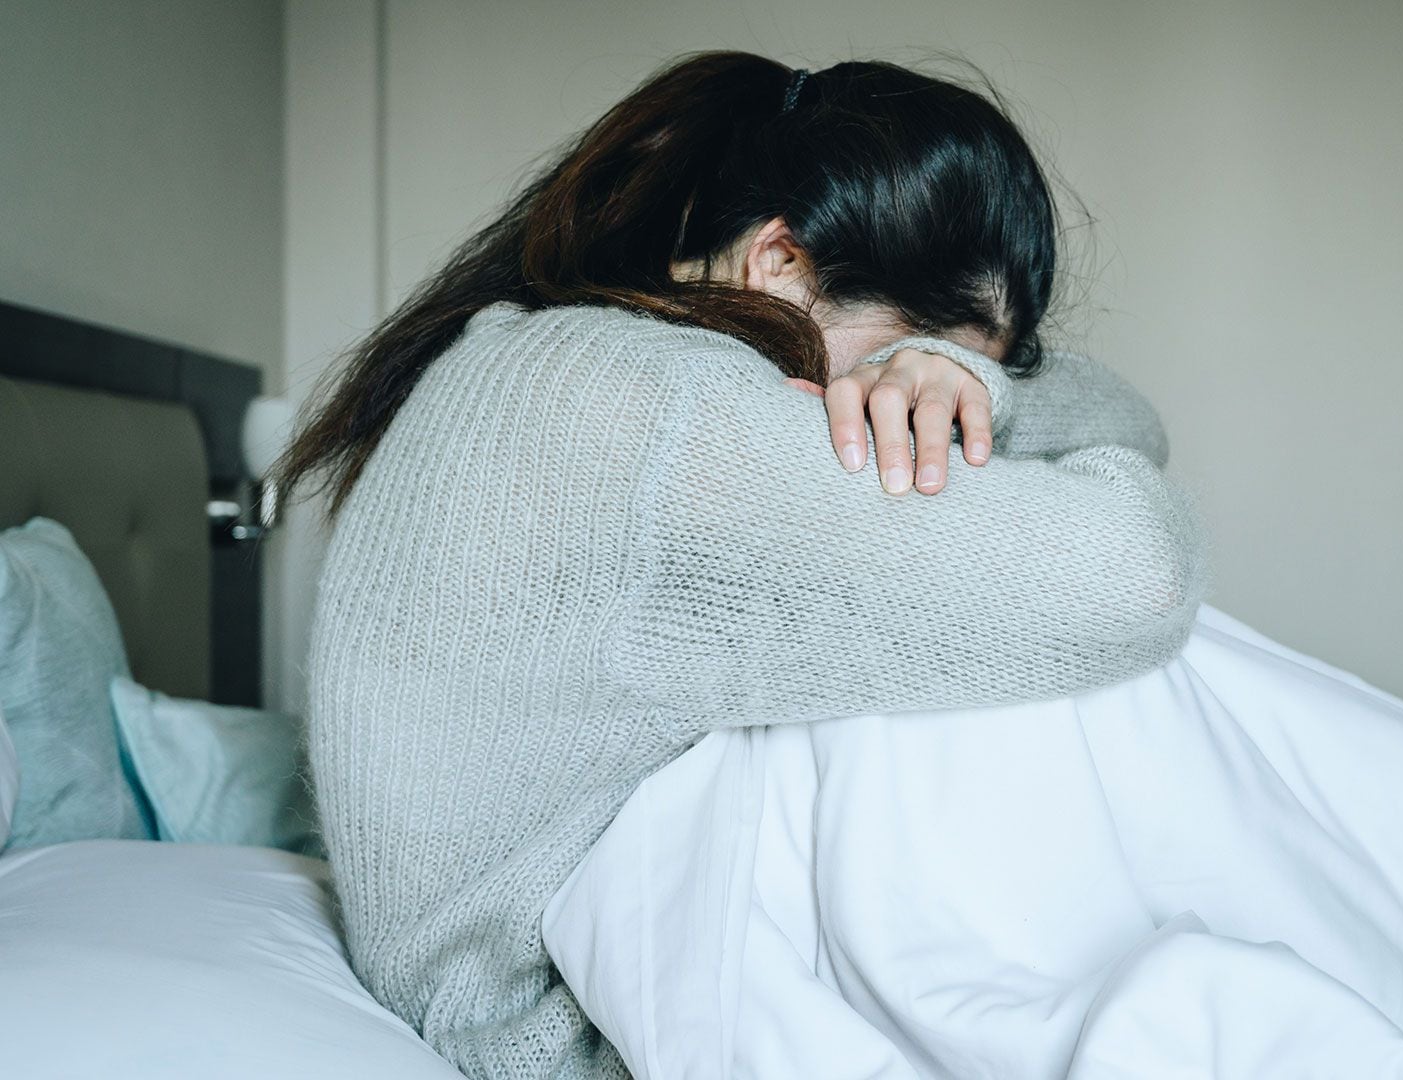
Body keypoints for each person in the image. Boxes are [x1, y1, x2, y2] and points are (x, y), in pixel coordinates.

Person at [281, 51, 1204, 1079]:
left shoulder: (549, 357)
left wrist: (951, 371)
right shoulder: (659, 410)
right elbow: (1141, 577)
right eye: (915, 361)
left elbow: (1128, 417)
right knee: (1083, 667)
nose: (922, 414)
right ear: (781, 262)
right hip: (560, 1044)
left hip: (551, 992)